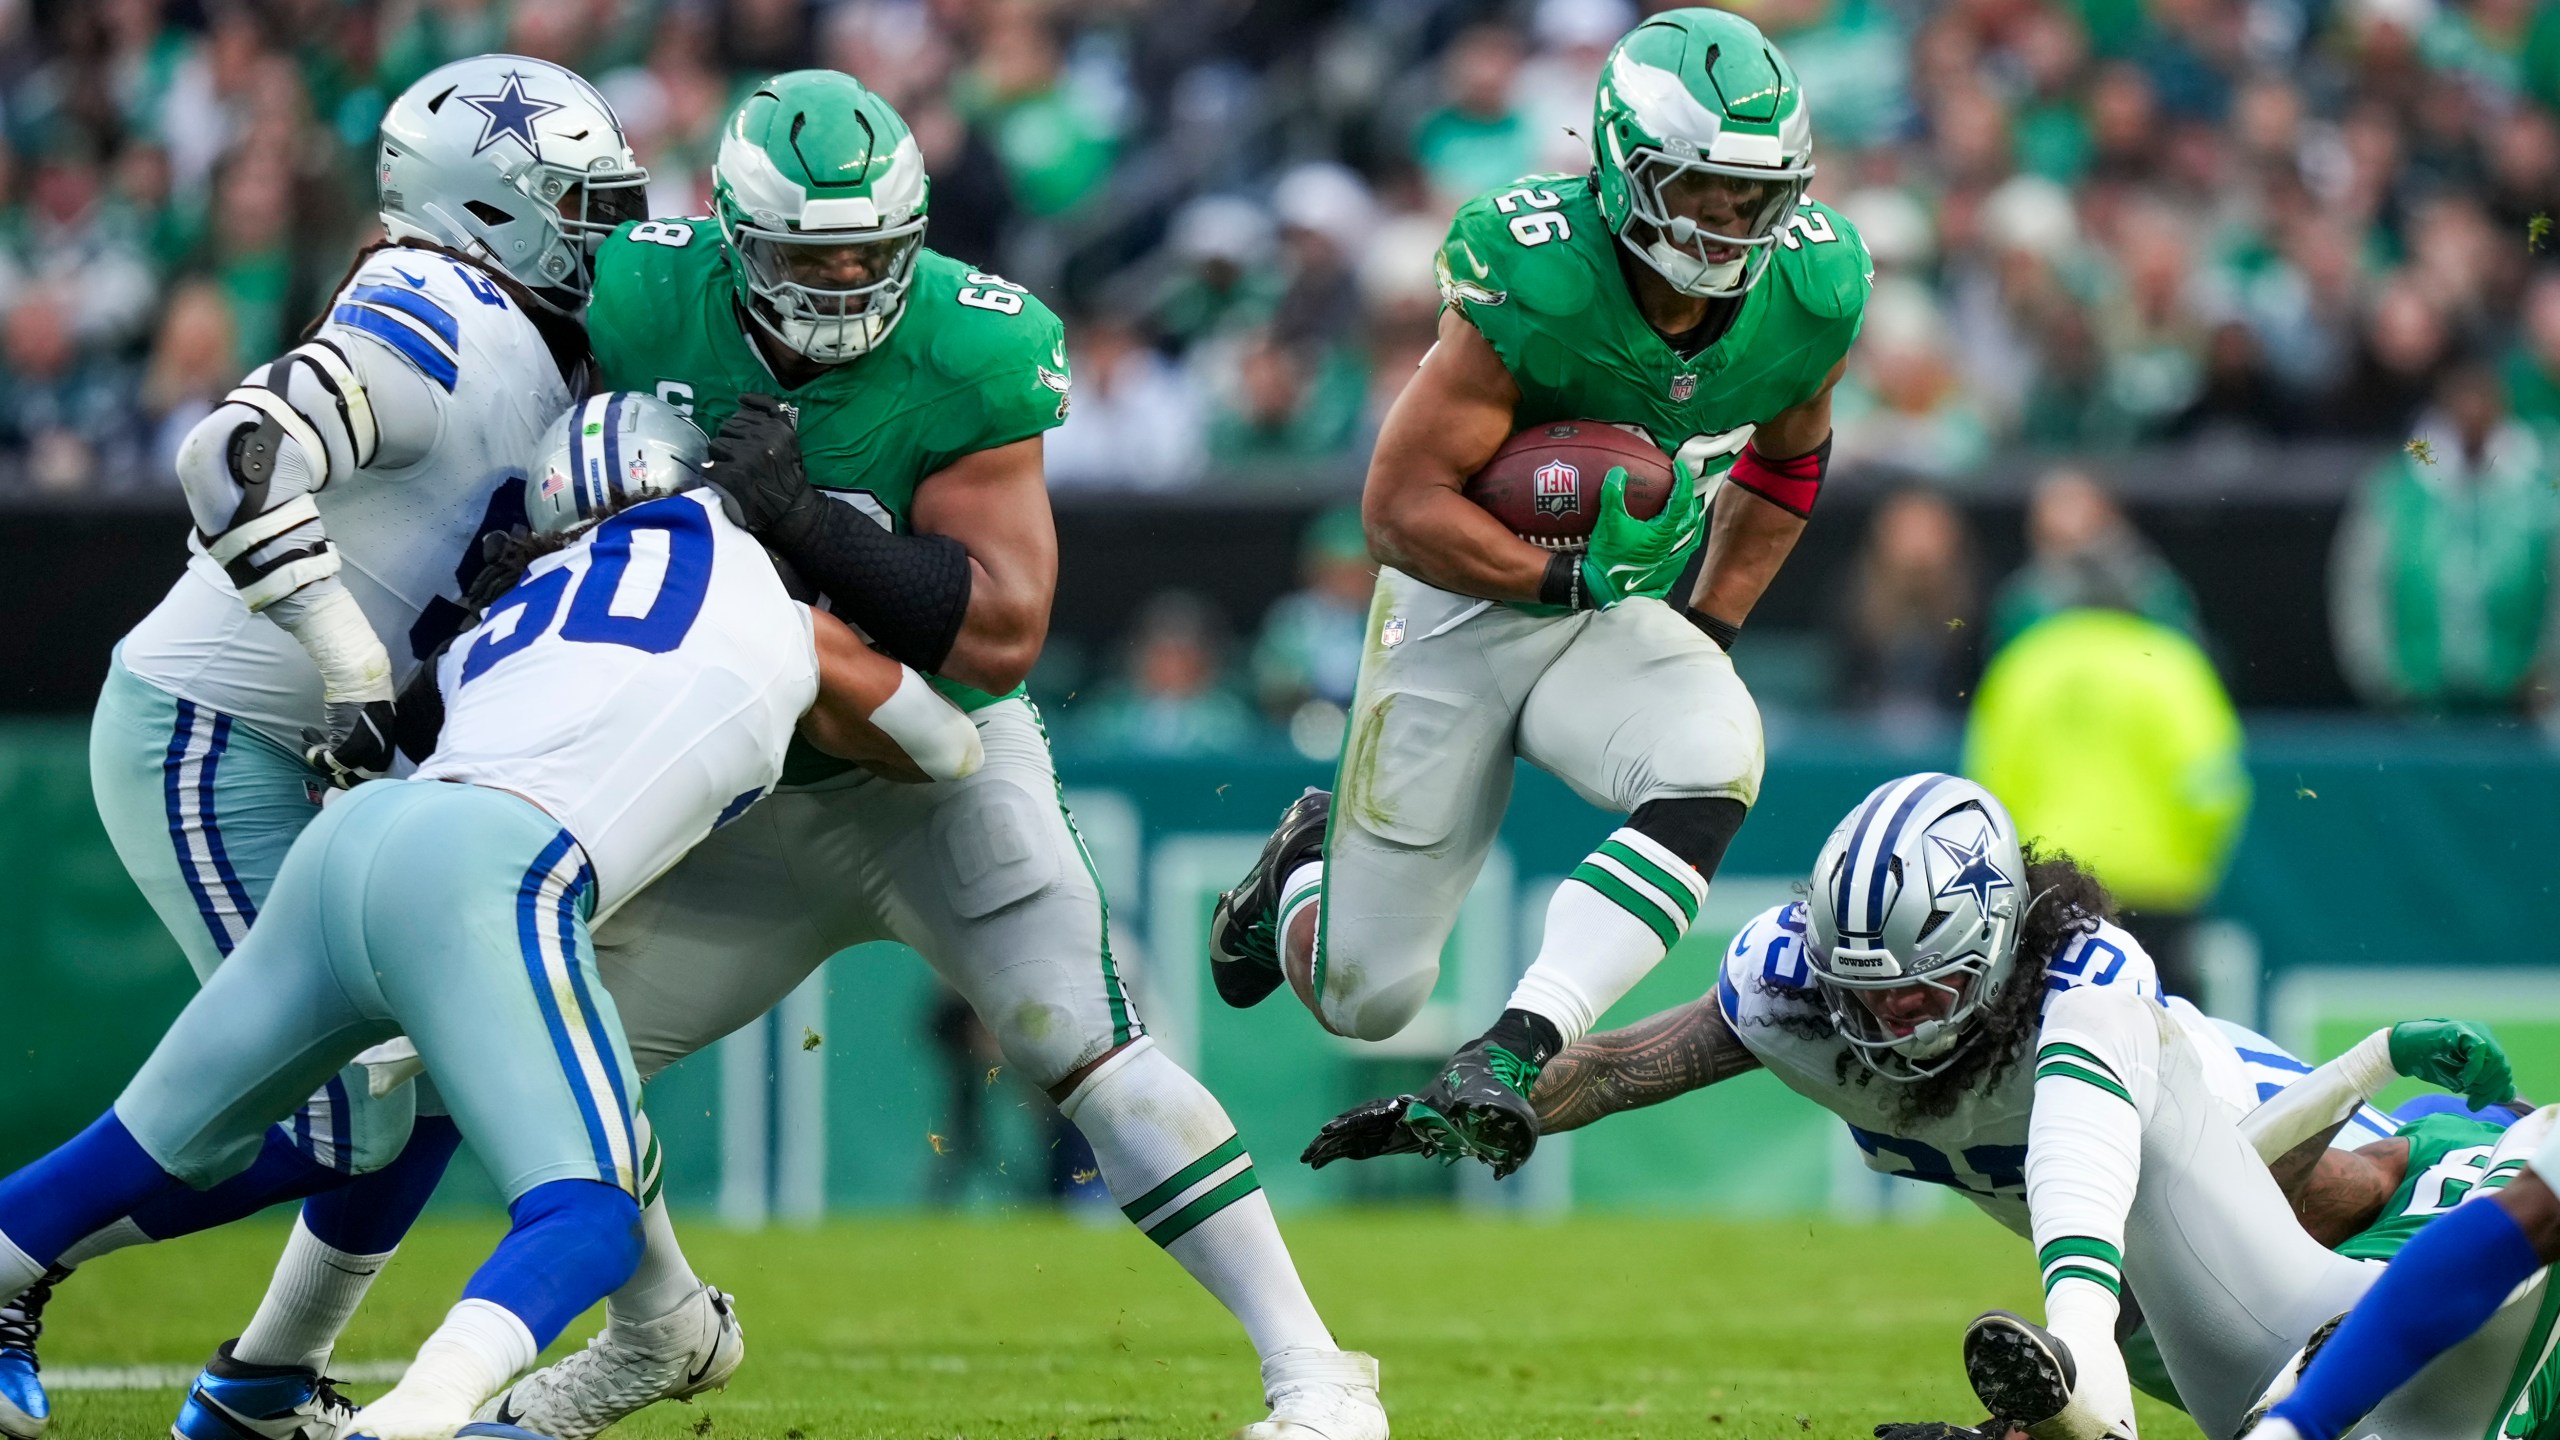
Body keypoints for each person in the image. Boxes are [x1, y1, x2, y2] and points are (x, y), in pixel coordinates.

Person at [486, 71, 1386, 1440]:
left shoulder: (972, 343)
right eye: (811, 254)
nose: (846, 280)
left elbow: (1003, 634)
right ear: (734, 238)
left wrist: (807, 522)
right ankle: (650, 1337)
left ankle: (1316, 1372)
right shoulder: (637, 293)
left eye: (871, 251)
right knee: (551, 1065)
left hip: (930, 770)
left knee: (1087, 1050)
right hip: (735, 791)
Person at [0, 392, 982, 1440]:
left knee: (152, 1147)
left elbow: (405, 743)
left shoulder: (508, 609)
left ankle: (165, 1345)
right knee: (586, 1213)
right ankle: (411, 1418)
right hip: (491, 873)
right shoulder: (782, 612)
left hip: (353, 845)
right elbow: (948, 749)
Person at [0, 55, 650, 1440]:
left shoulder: (536, 341)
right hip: (217, 732)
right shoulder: (442, 303)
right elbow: (229, 454)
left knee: (420, 1085)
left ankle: (262, 1384)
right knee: (340, 1112)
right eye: (583, 209)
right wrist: (351, 663)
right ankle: (8, 1258)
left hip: (313, 763)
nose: (607, 238)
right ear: (488, 210)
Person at [1303, 772, 2530, 1439]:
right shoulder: (1806, 986)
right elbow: (1634, 1063)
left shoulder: (2088, 995)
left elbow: (2198, 1191)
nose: (1882, 1027)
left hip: (2324, 1181)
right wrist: (1475, 1098)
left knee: (2293, 1305)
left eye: (1917, 995)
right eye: (1860, 993)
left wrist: (2364, 1066)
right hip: (2156, 1301)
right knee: (2183, 1355)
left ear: (1996, 953)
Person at [1209, 8, 1871, 1178]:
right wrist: (1556, 571)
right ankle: (1301, 869)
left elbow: (1784, 460)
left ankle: (1510, 1052)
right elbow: (1398, 509)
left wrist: (1702, 625)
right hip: (1460, 605)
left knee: (1715, 748)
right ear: (1623, 166)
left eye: (1748, 198)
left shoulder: (1812, 286)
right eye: (1697, 189)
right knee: (1363, 999)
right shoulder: (1535, 271)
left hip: (1608, 610)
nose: (1724, 223)